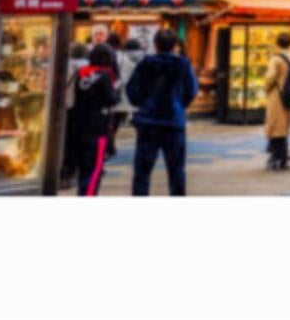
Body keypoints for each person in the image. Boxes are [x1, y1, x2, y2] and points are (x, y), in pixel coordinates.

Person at [125, 29, 198, 196]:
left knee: (142, 172)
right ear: (174, 46)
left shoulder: (145, 64)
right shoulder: (183, 64)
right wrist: (180, 104)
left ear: (155, 44)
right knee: (176, 171)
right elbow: (192, 90)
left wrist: (142, 104)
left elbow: (132, 90)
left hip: (148, 122)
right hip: (173, 121)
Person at [66, 43, 123, 195]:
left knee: (83, 167)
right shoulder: (105, 76)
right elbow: (112, 99)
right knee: (94, 170)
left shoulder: (80, 73)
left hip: (77, 126)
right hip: (97, 129)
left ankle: (82, 192)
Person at [261, 30, 290, 172]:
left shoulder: (276, 59)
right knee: (284, 127)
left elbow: (270, 78)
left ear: (278, 43)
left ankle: (277, 158)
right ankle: (283, 157)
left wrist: (267, 89)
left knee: (275, 128)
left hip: (278, 97)